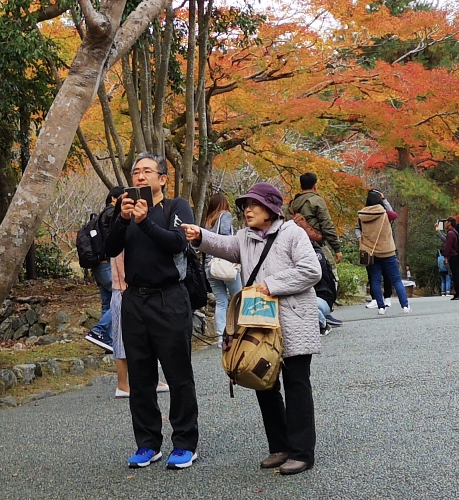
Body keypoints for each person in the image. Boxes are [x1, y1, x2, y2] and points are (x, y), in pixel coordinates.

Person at [184, 182, 323, 476]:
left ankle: (301, 452)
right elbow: (223, 246)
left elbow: (312, 270)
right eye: (246, 205)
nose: (247, 210)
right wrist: (200, 236)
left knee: (296, 385)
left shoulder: (292, 234)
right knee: (264, 382)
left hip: (293, 321)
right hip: (259, 325)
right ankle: (280, 447)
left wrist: (272, 285)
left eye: (254, 205)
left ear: (271, 209)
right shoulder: (244, 238)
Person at [105, 153, 199, 470]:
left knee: (178, 374)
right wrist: (122, 218)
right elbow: (108, 249)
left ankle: (185, 443)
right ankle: (147, 444)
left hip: (169, 298)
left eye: (148, 171)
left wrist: (145, 222)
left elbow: (177, 243)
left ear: (162, 178)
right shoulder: (126, 210)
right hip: (134, 299)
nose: (141, 176)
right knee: (141, 377)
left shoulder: (175, 207)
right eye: (136, 172)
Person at [287, 173, 343, 328]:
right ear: (315, 185)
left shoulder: (292, 203)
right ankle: (326, 310)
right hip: (316, 244)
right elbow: (327, 225)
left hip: (297, 245)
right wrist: (336, 248)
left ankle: (312, 310)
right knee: (330, 274)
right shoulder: (316, 200)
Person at [355, 190, 408, 314]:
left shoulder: (362, 215)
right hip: (387, 251)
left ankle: (381, 307)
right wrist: (384, 200)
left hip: (371, 252)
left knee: (375, 280)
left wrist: (359, 239)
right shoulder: (385, 214)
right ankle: (405, 305)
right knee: (396, 279)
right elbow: (394, 214)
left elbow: (357, 228)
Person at [84, 188, 124, 352]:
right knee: (122, 298)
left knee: (107, 303)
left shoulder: (100, 215)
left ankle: (108, 343)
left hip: (98, 265)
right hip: (108, 263)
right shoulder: (112, 214)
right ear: (114, 198)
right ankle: (98, 331)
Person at [203, 192, 238, 338]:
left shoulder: (208, 220)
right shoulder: (225, 215)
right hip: (225, 263)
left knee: (221, 301)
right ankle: (239, 333)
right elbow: (225, 237)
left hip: (210, 266)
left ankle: (220, 336)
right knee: (239, 297)